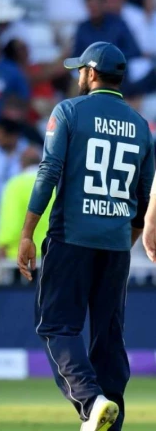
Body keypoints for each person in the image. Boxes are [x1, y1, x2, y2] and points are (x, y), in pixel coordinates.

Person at [17, 42, 155, 431]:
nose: (77, 75)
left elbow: (48, 173)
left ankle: (92, 401)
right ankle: (112, 419)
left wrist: (27, 234)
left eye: (80, 69)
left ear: (91, 73)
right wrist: (125, 239)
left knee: (56, 325)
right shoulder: (141, 125)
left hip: (70, 237)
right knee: (109, 337)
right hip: (116, 244)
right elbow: (146, 197)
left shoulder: (69, 112)